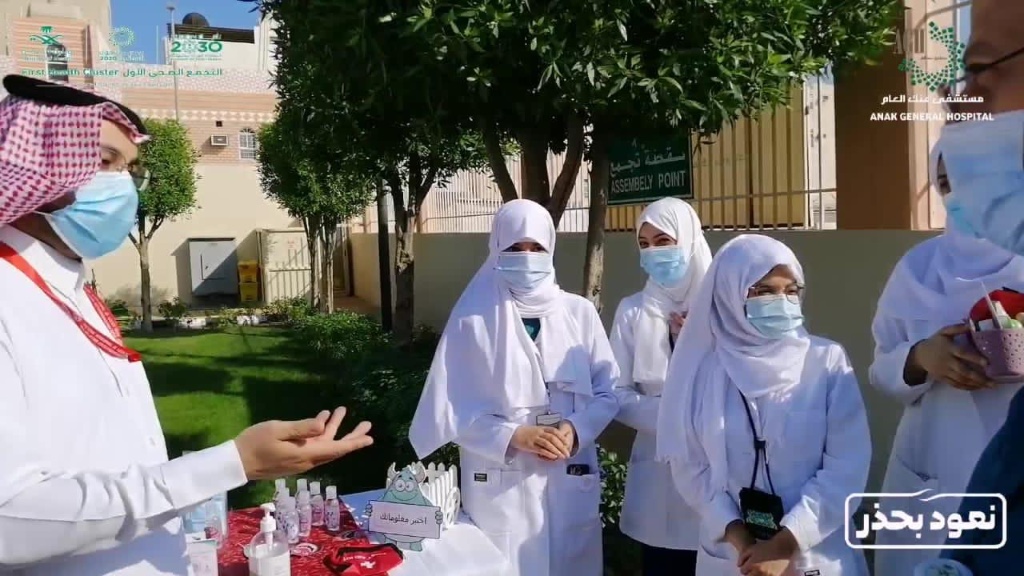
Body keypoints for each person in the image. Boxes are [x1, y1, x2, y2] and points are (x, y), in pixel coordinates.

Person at [0, 75, 374, 575]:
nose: (122, 186)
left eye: (129, 169)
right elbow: (10, 519)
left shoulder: (66, 285)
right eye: (106, 161)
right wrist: (233, 463)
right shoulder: (9, 297)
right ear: (35, 162)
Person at [408, 198, 619, 576]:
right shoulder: (473, 320)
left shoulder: (579, 313)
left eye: (536, 247)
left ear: (550, 248)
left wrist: (576, 430)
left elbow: (609, 392)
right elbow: (450, 410)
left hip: (568, 473)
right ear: (495, 249)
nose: (527, 257)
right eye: (515, 248)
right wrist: (514, 436)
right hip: (501, 484)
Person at [656, 234, 871, 576]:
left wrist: (785, 544)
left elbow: (847, 466)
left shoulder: (826, 361)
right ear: (730, 294)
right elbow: (691, 467)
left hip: (814, 552)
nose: (782, 301)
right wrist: (741, 539)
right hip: (733, 557)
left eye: (791, 290)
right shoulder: (705, 372)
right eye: (765, 291)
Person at [870, 146, 1024, 575]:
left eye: (968, 176)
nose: (956, 193)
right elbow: (881, 365)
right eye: (944, 183)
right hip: (930, 469)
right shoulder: (917, 268)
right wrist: (921, 358)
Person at [609, 197, 711, 576]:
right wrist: (671, 418)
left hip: (716, 467)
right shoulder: (633, 311)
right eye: (645, 244)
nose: (654, 252)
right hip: (658, 477)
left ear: (689, 239)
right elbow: (615, 392)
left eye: (664, 241)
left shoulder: (724, 308)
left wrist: (698, 341)